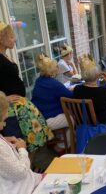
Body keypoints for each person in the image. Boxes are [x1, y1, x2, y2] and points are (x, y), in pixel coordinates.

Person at [0, 21, 53, 152]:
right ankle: (24, 170)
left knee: (29, 143)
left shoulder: (4, 55)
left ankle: (31, 169)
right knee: (19, 144)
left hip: (20, 106)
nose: (15, 39)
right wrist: (4, 99)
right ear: (1, 39)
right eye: (11, 37)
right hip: (11, 111)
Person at [0, 91, 42, 194]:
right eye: (3, 121)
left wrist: (4, 139)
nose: (4, 125)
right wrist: (22, 149)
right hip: (23, 189)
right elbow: (21, 172)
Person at [32, 54, 73, 132]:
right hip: (46, 119)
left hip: (38, 116)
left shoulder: (39, 81)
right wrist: (74, 89)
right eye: (56, 67)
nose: (57, 68)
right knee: (73, 118)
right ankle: (67, 143)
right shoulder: (53, 84)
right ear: (52, 70)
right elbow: (71, 96)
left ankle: (61, 139)